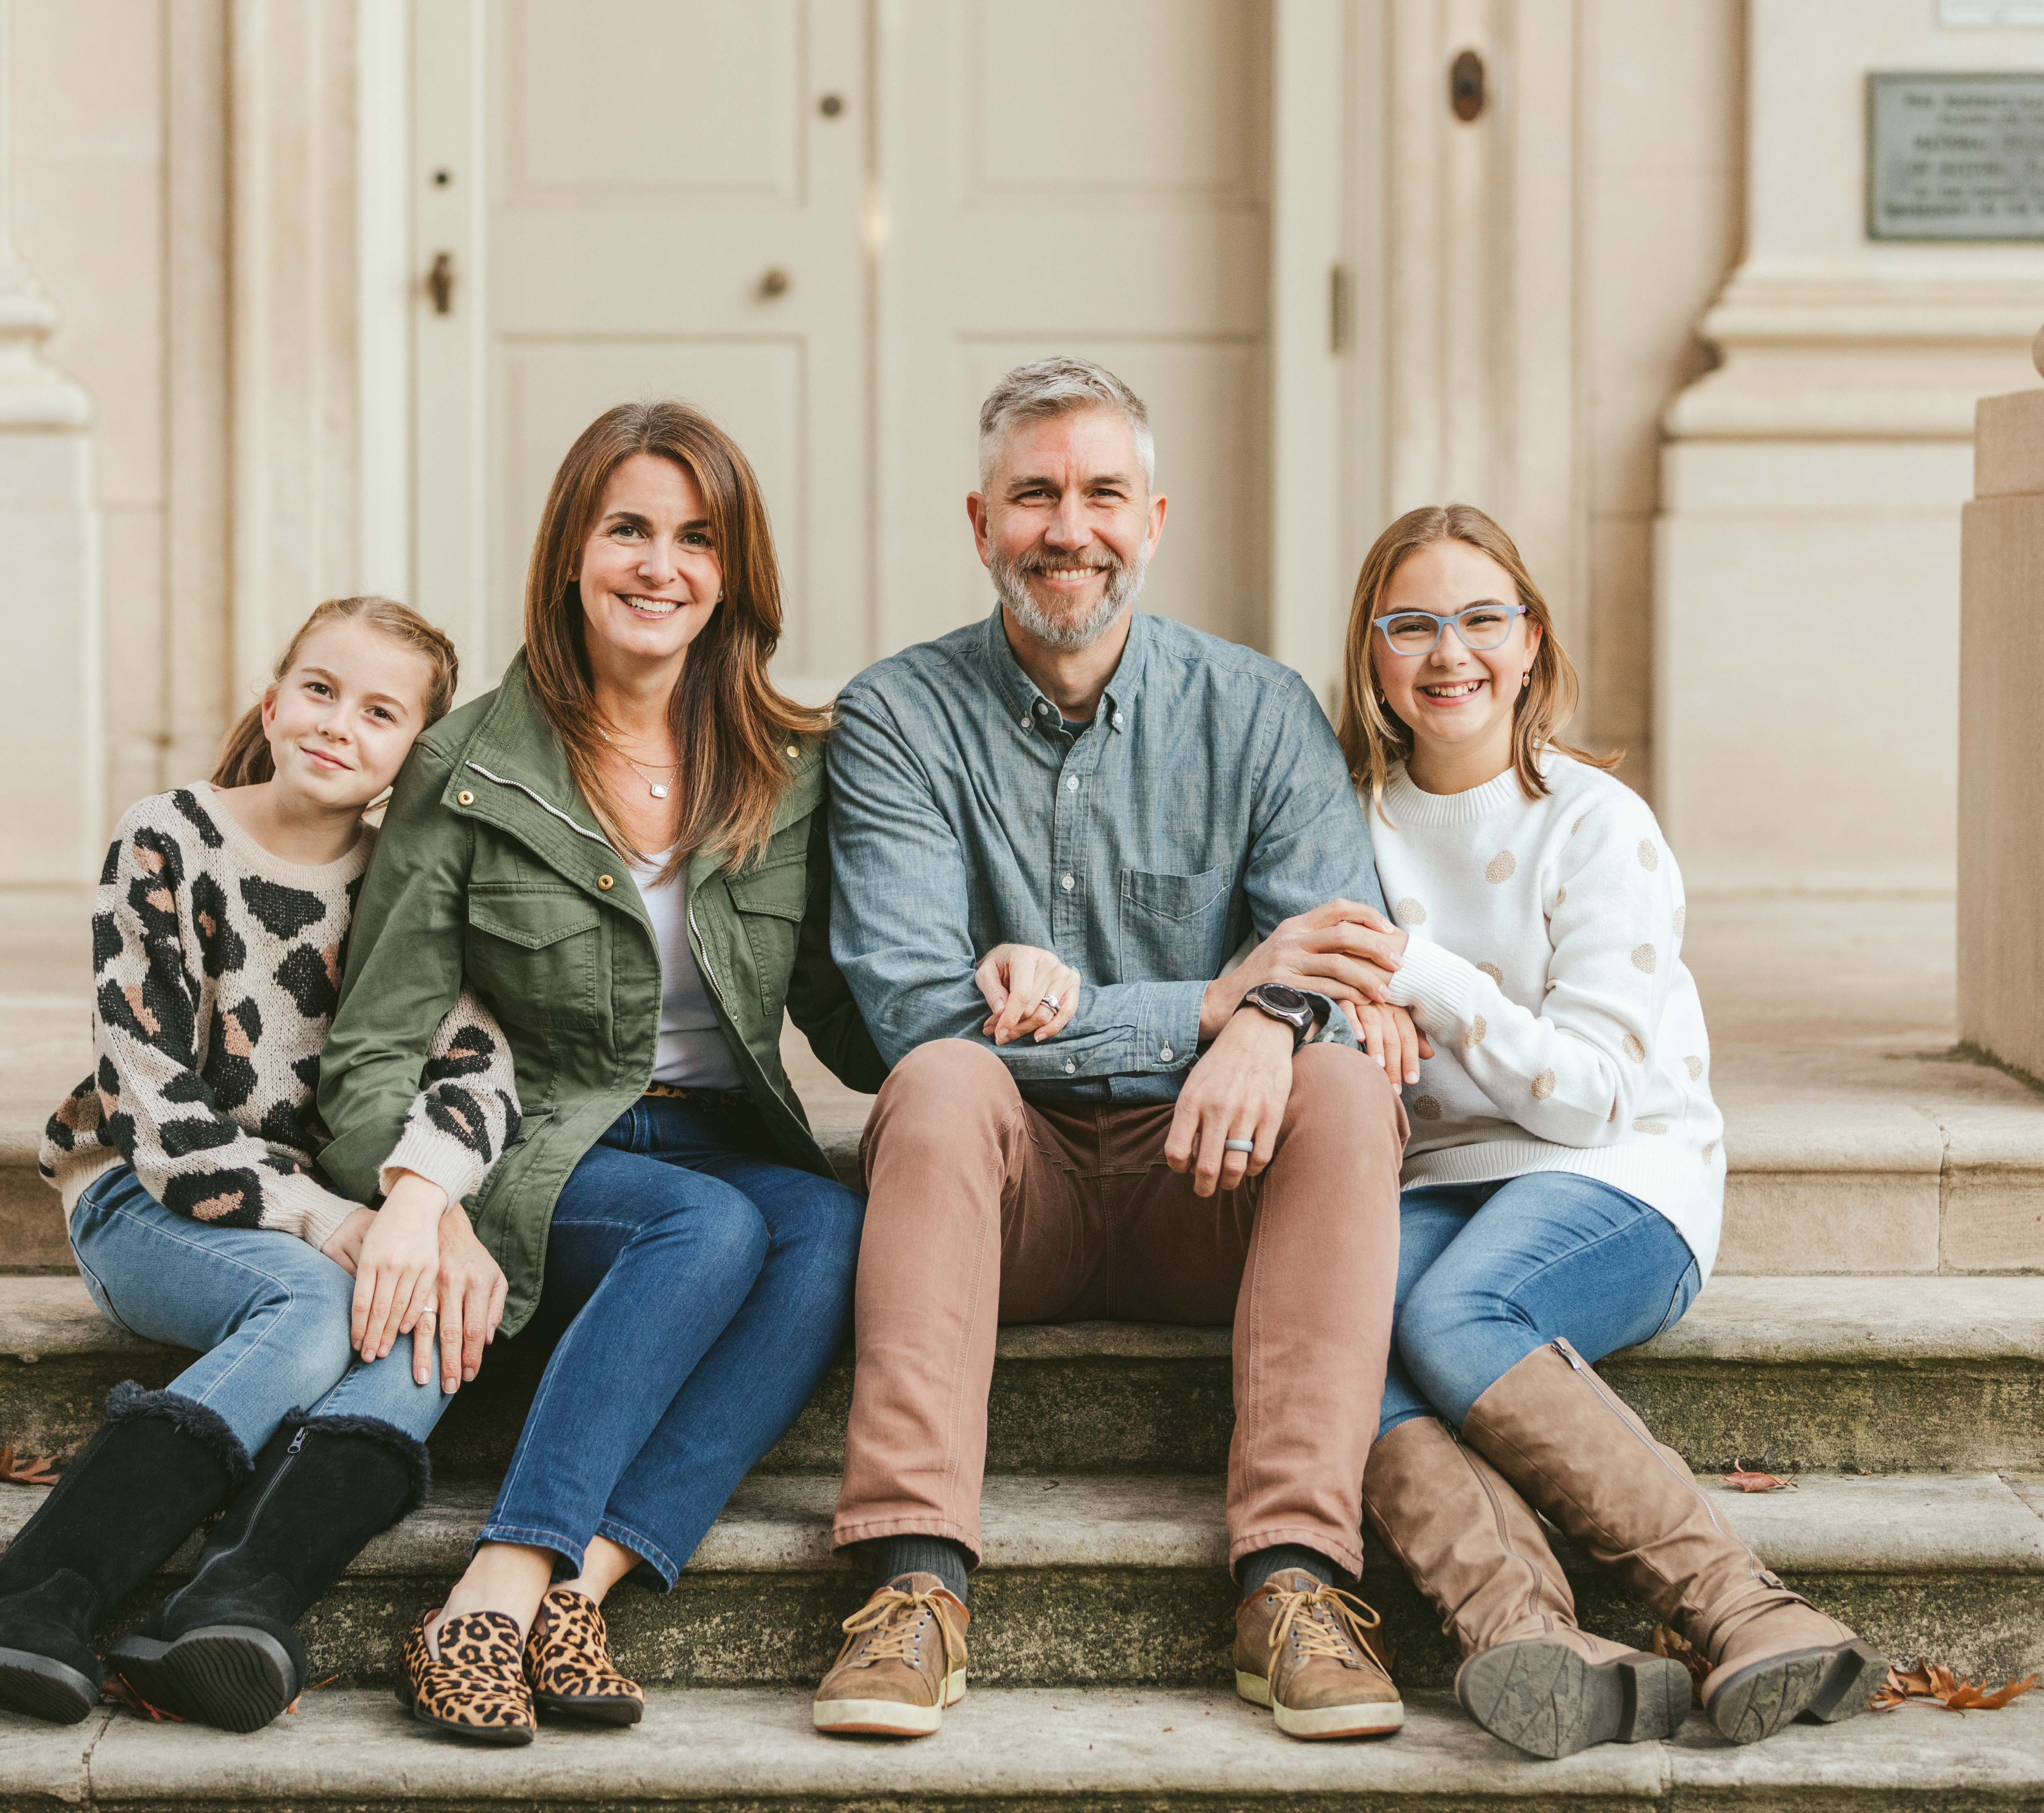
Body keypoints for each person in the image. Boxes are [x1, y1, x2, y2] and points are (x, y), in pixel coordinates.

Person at [812, 357, 1422, 1745]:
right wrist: (1210, 1005)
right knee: (944, 1077)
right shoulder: (897, 720)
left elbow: (1338, 956)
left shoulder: (1258, 710)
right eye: (1033, 494)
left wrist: (1272, 1021)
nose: (1066, 527)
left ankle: (1294, 1583)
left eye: (1099, 494)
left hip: (1206, 1184)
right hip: (1003, 1202)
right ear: (980, 524)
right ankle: (911, 1582)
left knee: (1336, 1082)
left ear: (1153, 517)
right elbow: (914, 1009)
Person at [315, 399, 886, 1747]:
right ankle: (489, 1589)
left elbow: (844, 1012)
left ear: (733, 573)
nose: (659, 565)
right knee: (708, 1223)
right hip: (545, 1150)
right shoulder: (465, 769)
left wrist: (996, 995)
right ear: (571, 549)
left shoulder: (783, 766)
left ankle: (586, 1580)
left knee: (826, 1229)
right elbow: (373, 1046)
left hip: (721, 1135)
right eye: (627, 527)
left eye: (696, 538)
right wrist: (411, 1195)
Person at [1340, 503, 1886, 1755]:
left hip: (1618, 1176)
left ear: (1531, 641)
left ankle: (1744, 1608)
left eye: (1482, 618)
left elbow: (1587, 1091)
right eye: (1409, 623)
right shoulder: (1346, 820)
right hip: (1435, 1178)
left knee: (1452, 1313)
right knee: (1344, 1335)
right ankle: (1531, 1638)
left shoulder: (1595, 824)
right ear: (1369, 652)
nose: (1448, 653)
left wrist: (1425, 977)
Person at [0, 595, 521, 1732]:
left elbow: (477, 1063)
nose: (339, 722)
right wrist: (332, 1223)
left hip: (326, 1219)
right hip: (145, 1202)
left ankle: (236, 1604)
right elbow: (156, 1116)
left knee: (438, 1325)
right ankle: (30, 1599)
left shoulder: (410, 878)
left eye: (380, 711)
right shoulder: (169, 837)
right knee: (311, 1298)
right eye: (319, 689)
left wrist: (418, 1200)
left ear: (414, 751)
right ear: (271, 699)